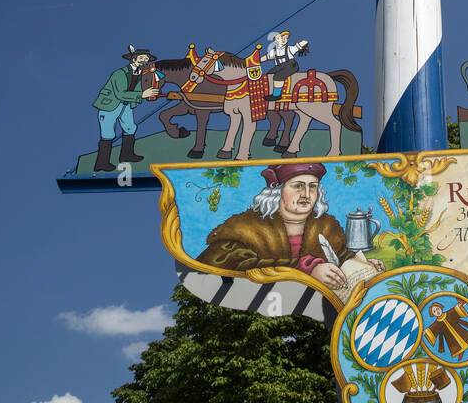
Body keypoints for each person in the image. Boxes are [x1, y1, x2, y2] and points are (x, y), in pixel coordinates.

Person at [196, 164, 383, 289]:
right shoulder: (245, 226)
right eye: (298, 186)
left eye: (313, 187)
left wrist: (360, 265)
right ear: (277, 191)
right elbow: (223, 262)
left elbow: (339, 256)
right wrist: (304, 270)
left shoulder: (327, 226)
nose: (306, 194)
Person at [92, 46, 161, 172]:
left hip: (127, 104)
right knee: (108, 134)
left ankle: (126, 155)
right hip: (110, 105)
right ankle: (102, 163)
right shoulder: (120, 74)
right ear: (133, 59)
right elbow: (120, 93)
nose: (144, 61)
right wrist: (142, 95)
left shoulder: (140, 74)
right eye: (141, 58)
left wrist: (146, 94)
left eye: (146, 59)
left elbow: (138, 90)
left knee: (130, 128)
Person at [265, 30, 309, 100]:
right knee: (269, 73)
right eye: (281, 38)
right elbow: (266, 57)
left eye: (285, 38)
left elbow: (304, 42)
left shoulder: (289, 49)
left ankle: (276, 95)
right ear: (276, 41)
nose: (284, 39)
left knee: (278, 76)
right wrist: (256, 60)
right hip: (280, 66)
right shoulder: (273, 52)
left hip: (291, 65)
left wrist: (302, 44)